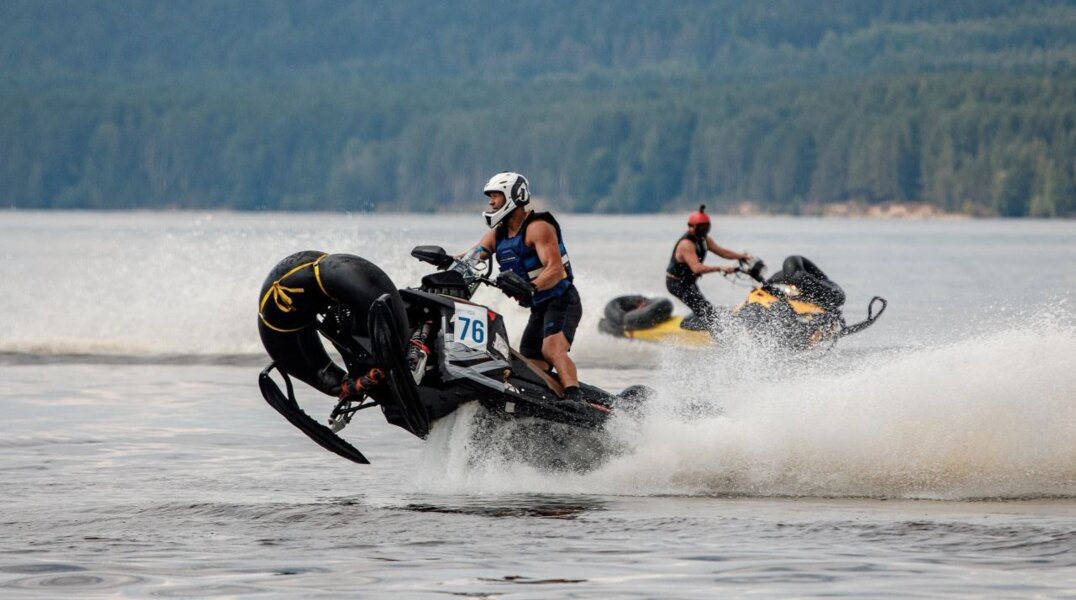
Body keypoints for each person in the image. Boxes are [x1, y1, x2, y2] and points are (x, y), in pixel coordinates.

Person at [461, 172, 584, 400]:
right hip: (539, 306)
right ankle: (545, 401)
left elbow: (555, 270)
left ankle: (574, 398)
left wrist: (532, 287)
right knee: (529, 363)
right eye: (490, 196)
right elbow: (472, 257)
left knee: (552, 350)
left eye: (496, 195)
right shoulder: (497, 235)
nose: (491, 202)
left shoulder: (538, 227)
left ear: (513, 196)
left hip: (562, 299)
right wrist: (445, 260)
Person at [666, 205, 751, 332]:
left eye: (707, 227)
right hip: (677, 283)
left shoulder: (704, 240)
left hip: (689, 282)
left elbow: (722, 252)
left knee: (705, 308)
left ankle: (705, 329)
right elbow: (697, 268)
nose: (704, 230)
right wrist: (720, 268)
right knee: (705, 310)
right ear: (692, 226)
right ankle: (716, 336)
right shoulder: (686, 244)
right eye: (702, 227)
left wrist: (742, 256)